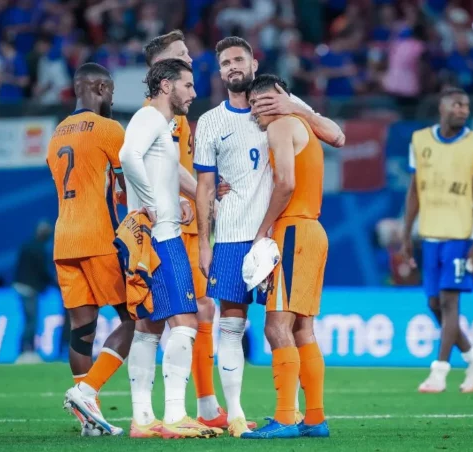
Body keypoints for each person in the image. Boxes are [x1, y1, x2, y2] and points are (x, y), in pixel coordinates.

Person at [193, 36, 344, 438]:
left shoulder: (283, 118)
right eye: (225, 61)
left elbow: (332, 142)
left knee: (277, 328)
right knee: (280, 327)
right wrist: (204, 240)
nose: (232, 66)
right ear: (220, 70)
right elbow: (205, 186)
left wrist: (294, 105)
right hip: (249, 235)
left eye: (239, 58)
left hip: (282, 234)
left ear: (255, 65)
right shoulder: (212, 122)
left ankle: (288, 417)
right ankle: (292, 417)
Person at [120, 58, 221, 439]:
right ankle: (176, 414)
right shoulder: (150, 119)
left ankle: (143, 419)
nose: (194, 93)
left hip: (149, 235)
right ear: (166, 85)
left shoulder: (158, 124)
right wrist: (152, 203)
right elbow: (127, 156)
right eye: (188, 85)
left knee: (149, 326)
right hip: (161, 237)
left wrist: (177, 196)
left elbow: (155, 167)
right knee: (186, 321)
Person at [140, 30, 228, 430]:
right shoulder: (157, 114)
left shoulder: (174, 113)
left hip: (186, 222)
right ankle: (183, 409)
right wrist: (197, 197)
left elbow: (178, 166)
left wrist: (205, 194)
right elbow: (158, 167)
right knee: (176, 318)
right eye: (181, 56)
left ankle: (173, 410)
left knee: (183, 315)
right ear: (163, 69)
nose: (190, 59)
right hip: (173, 228)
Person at [239, 74, 329, 439]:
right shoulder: (304, 125)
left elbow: (286, 183)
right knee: (302, 328)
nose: (253, 114)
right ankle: (314, 418)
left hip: (292, 230)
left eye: (256, 106)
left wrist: (263, 229)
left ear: (267, 100)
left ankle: (286, 418)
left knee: (275, 326)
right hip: (313, 230)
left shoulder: (280, 126)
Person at [51, 62, 135, 437]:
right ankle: (88, 391)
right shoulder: (109, 129)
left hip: (64, 239)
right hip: (99, 237)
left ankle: (90, 421)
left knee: (81, 329)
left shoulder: (56, 134)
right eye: (111, 93)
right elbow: (125, 187)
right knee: (137, 317)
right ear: (100, 88)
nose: (112, 100)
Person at [401, 86, 473, 394]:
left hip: (460, 234)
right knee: (433, 302)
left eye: (466, 105)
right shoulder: (420, 141)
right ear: (442, 108)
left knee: (450, 302)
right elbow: (414, 191)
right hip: (430, 234)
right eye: (456, 104)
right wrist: (405, 234)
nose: (462, 109)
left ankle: (439, 371)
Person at [12, 220, 56, 364]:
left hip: (21, 286)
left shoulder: (27, 246)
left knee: (29, 320)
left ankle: (26, 350)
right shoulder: (40, 250)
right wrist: (57, 285)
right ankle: (26, 352)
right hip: (29, 289)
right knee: (31, 321)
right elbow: (43, 272)